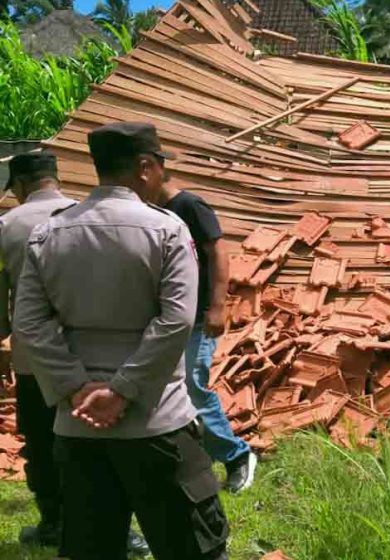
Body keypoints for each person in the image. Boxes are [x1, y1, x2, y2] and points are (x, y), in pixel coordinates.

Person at [13, 122, 229, 560]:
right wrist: (122, 391)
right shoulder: (166, 229)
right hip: (157, 420)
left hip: (78, 425)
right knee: (194, 548)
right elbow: (175, 321)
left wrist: (77, 387)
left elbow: (29, 324)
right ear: (145, 166)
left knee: (91, 547)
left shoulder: (49, 233)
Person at [0, 153, 149, 556]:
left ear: (19, 186)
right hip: (98, 361)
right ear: (55, 178)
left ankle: (53, 523)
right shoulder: (90, 216)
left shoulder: (7, 226)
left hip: (36, 362)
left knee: (43, 443)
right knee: (107, 445)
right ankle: (122, 531)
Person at [155, 181, 257, 492]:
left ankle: (237, 455)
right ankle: (189, 459)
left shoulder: (190, 206)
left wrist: (217, 307)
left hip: (197, 317)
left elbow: (218, 254)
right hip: (166, 318)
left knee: (191, 386)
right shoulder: (152, 210)